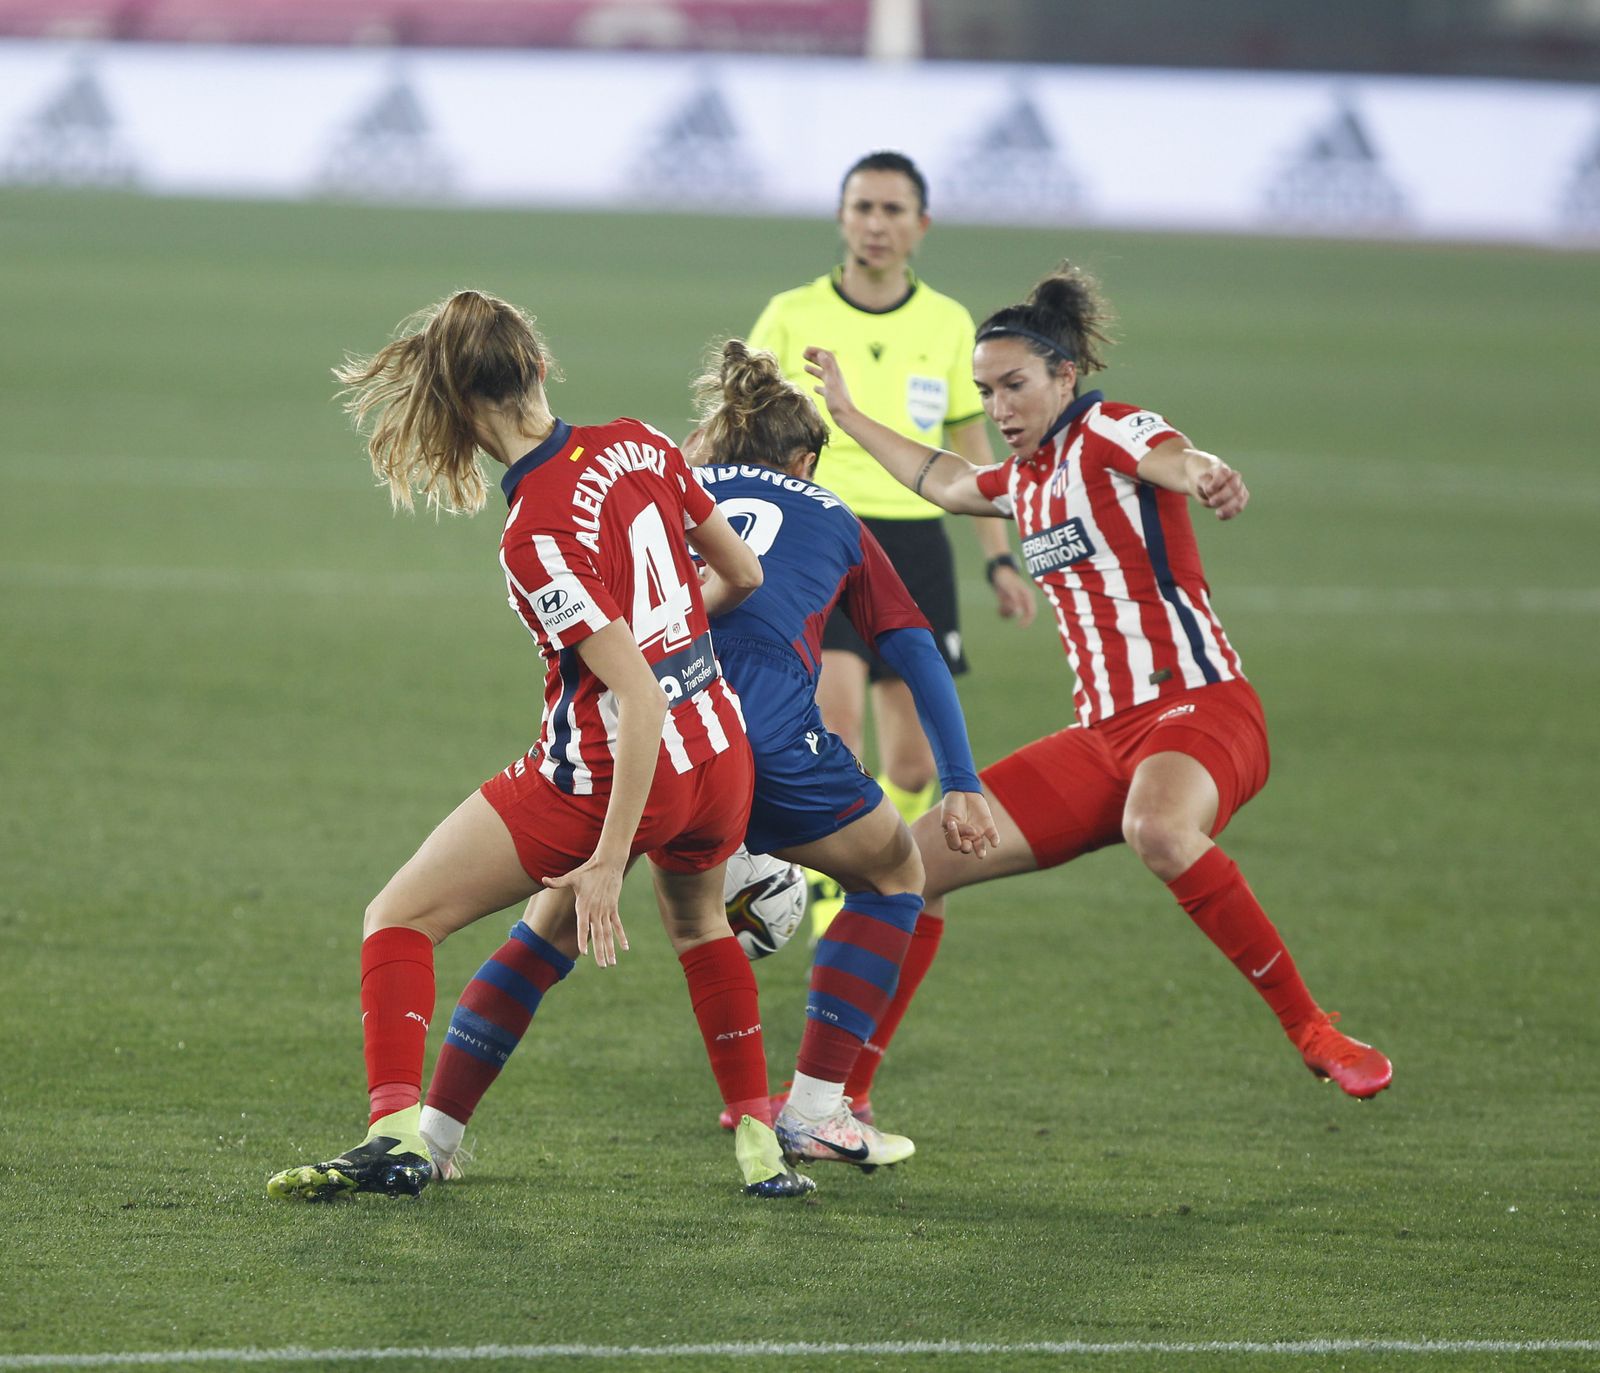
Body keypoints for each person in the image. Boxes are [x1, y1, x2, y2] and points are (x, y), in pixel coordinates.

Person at [266, 289, 814, 1203]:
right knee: (701, 925)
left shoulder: (535, 532)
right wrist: (670, 646)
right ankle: (760, 1138)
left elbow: (630, 692)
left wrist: (604, 858)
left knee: (397, 917)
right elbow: (744, 573)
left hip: (608, 773)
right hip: (718, 748)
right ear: (539, 365)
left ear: (451, 403)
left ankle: (398, 1131)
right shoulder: (641, 441)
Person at [802, 262, 1393, 1104]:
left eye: (1015, 386)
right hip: (1103, 738)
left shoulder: (1107, 430)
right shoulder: (1026, 479)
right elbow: (947, 480)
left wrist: (1207, 473)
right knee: (909, 864)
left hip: (1203, 707)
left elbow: (1173, 457)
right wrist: (852, 416)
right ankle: (845, 1099)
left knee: (1156, 828)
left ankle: (1312, 1026)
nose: (999, 408)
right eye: (986, 391)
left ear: (1064, 374)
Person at [417, 339, 1000, 1177]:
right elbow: (912, 650)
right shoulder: (833, 514)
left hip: (652, 738)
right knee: (896, 872)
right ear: (804, 460)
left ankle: (434, 1136)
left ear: (715, 444)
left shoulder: (657, 484)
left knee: (550, 923)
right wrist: (961, 780)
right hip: (759, 741)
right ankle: (815, 1110)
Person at [748, 150, 1035, 939]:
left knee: (910, 765)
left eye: (892, 210)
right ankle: (829, 894)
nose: (876, 224)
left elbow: (969, 447)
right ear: (842, 217)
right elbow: (743, 421)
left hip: (914, 541)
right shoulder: (790, 313)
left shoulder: (945, 323)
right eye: (863, 207)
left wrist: (999, 558)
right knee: (836, 728)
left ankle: (890, 862)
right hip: (817, 535)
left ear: (921, 225)